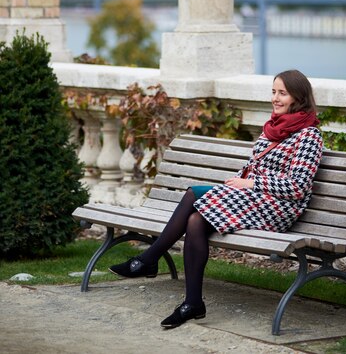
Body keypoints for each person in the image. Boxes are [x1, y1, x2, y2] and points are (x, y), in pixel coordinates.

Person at [110, 69, 324, 329]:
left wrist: (251, 183)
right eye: (273, 91)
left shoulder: (308, 136)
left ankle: (148, 259)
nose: (275, 98)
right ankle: (192, 303)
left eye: (282, 93)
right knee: (195, 221)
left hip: (278, 208)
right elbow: (251, 167)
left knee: (192, 194)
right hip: (253, 199)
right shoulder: (274, 127)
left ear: (298, 98)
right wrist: (237, 183)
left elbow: (298, 186)